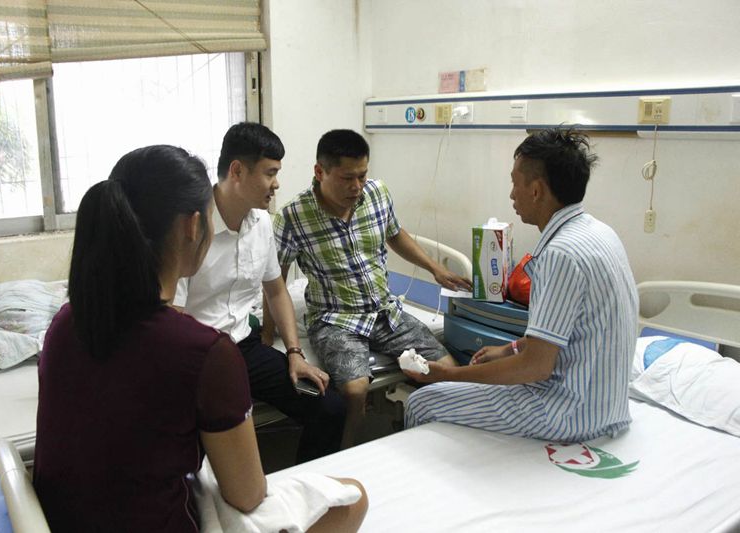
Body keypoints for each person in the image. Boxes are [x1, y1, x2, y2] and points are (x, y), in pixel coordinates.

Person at [34, 145, 367, 532]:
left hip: (60, 520)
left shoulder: (65, 322)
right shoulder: (205, 352)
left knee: (323, 411)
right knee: (353, 498)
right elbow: (247, 495)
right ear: (193, 226)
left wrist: (292, 350)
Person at [403, 127, 638, 443]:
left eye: (515, 183)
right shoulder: (601, 233)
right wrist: (508, 349)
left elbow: (536, 367)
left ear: (536, 190)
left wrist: (449, 375)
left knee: (421, 402)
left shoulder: (559, 255)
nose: (512, 194)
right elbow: (564, 334)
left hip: (566, 414)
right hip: (609, 407)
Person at [271, 129, 472, 448]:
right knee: (354, 391)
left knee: (449, 370)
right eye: (346, 178)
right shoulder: (293, 216)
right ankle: (347, 455)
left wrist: (435, 268)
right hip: (335, 320)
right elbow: (275, 282)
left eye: (362, 175)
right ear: (320, 172)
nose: (356, 186)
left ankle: (441, 445)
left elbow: (395, 234)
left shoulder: (377, 193)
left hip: (385, 312)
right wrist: (273, 341)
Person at [174, 122, 346, 463]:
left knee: (330, 407)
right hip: (198, 356)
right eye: (270, 173)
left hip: (244, 347)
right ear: (237, 171)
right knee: (196, 439)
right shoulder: (191, 226)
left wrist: (295, 353)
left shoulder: (262, 223)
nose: (276, 184)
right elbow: (173, 316)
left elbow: (276, 290)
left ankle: (303, 485)